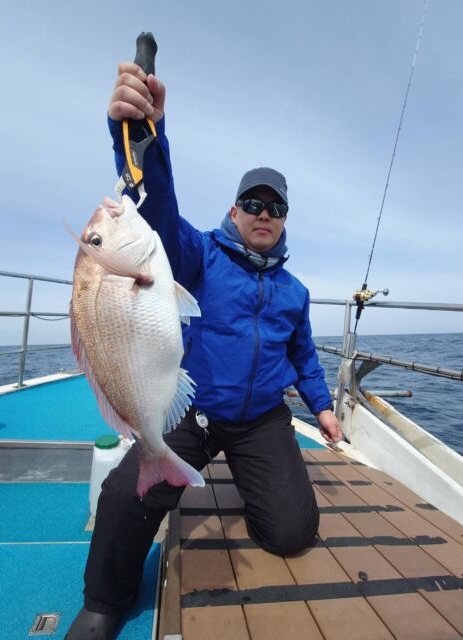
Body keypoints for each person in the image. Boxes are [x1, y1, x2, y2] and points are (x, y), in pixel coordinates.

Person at [65, 63, 342, 640]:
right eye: (253, 203)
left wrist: (321, 406)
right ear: (234, 211)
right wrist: (145, 134)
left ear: (284, 221)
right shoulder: (197, 255)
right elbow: (158, 209)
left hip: (263, 418)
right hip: (193, 410)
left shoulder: (295, 291)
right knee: (123, 496)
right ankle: (105, 601)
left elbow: (304, 356)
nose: (263, 214)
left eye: (275, 208)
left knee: (291, 533)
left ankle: (252, 475)